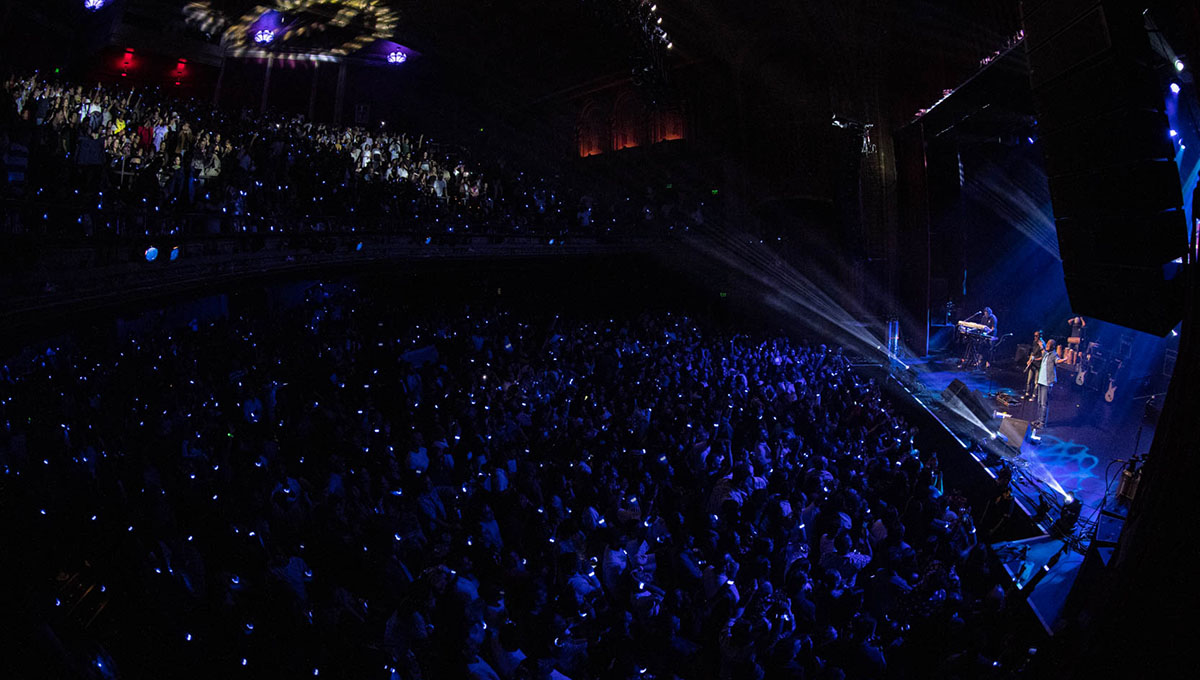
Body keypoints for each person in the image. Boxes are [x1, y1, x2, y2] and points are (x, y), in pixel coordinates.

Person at [1035, 338, 1068, 428]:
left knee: (1044, 404)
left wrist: (1064, 359)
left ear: (1052, 347)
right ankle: (1038, 420)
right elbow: (1042, 348)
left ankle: (1042, 423)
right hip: (1041, 381)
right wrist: (1041, 343)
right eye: (1047, 345)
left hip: (1047, 382)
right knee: (1039, 402)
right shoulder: (1046, 353)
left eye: (1049, 345)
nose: (1047, 346)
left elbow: (1057, 361)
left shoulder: (1054, 355)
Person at [1023, 330, 1045, 400]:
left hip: (1038, 365)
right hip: (1033, 364)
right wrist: (1029, 360)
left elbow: (1043, 356)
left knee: (1036, 382)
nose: (1035, 337)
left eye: (1036, 336)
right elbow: (1032, 352)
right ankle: (1027, 393)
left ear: (1040, 336)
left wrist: (1035, 359)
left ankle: (1034, 395)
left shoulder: (1042, 344)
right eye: (1034, 336)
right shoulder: (1034, 342)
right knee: (1029, 380)